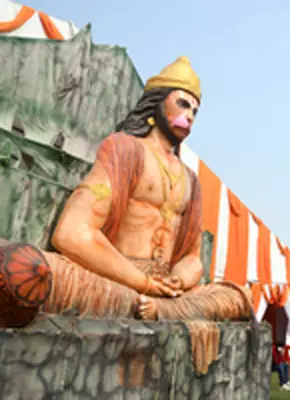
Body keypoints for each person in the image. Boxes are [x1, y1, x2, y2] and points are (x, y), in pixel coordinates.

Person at [0, 57, 254, 373]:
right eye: (183, 104)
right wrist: (142, 282)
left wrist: (178, 279)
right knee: (23, 271)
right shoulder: (124, 149)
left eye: (195, 111)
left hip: (168, 293)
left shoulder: (191, 180)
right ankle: (162, 309)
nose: (189, 116)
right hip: (115, 282)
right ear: (157, 102)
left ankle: (164, 309)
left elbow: (192, 258)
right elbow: (71, 234)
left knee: (240, 297)